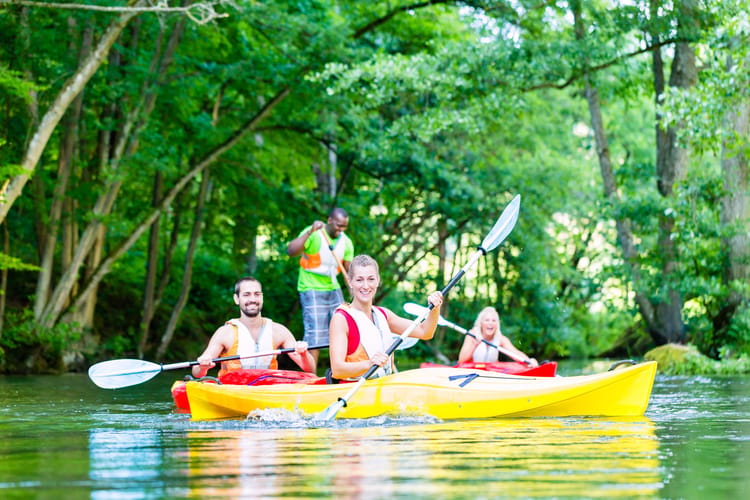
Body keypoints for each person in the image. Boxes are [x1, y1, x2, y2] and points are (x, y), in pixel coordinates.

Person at [328, 254, 444, 381]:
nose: (366, 286)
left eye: (371, 279)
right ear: (350, 282)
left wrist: (435, 308)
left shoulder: (383, 315)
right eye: (359, 280)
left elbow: (425, 332)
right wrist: (369, 364)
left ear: (377, 280)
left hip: (383, 386)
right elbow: (337, 370)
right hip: (354, 390)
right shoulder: (341, 318)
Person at [192, 276, 314, 378]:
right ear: (236, 299)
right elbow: (196, 372)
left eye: (257, 294)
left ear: (262, 298)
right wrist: (203, 366)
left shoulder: (278, 331)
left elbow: (310, 369)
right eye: (246, 295)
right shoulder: (225, 333)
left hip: (266, 389)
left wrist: (303, 354)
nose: (252, 299)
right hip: (233, 390)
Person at [286, 207, 354, 372]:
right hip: (311, 287)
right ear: (329, 220)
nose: (341, 230)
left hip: (333, 287)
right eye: (338, 225)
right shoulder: (315, 233)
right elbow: (291, 251)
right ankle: (312, 378)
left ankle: (342, 374)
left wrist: (354, 291)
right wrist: (309, 231)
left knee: (345, 328)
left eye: (344, 227)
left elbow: (348, 272)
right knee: (315, 336)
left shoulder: (346, 242)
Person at [457, 306, 538, 367]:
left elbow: (515, 353)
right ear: (481, 323)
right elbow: (461, 360)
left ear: (497, 324)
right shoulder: (472, 334)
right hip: (472, 371)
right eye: (487, 320)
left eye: (493, 320)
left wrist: (528, 360)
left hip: (491, 372)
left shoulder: (501, 339)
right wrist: (475, 344)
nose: (490, 323)